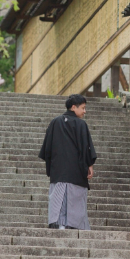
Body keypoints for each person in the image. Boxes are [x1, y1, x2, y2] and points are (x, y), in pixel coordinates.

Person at [39, 94, 96, 230]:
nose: (84, 111)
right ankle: (74, 225)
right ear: (73, 107)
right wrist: (89, 165)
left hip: (58, 171)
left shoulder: (55, 122)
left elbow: (47, 148)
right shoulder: (81, 124)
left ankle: (58, 224)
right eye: (82, 108)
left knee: (58, 197)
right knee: (75, 198)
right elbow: (86, 148)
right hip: (76, 171)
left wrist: (52, 165)